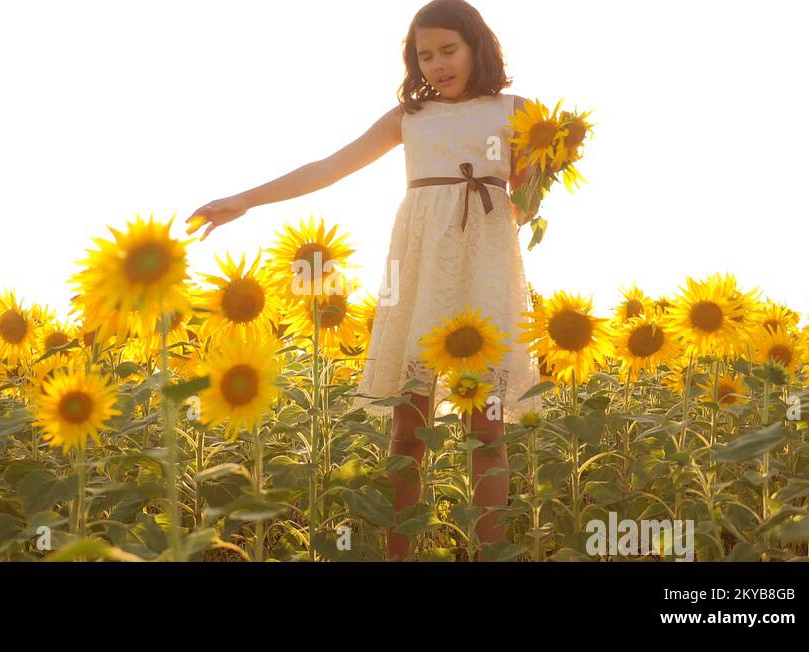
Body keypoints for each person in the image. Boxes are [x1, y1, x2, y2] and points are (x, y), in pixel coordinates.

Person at [186, 0, 543, 561]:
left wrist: (538, 172)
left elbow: (527, 202)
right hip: (418, 273)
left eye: (449, 50)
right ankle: (397, 556)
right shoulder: (410, 118)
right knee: (407, 432)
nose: (438, 64)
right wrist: (245, 200)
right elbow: (328, 167)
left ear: (478, 46)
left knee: (487, 433)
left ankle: (489, 555)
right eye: (425, 56)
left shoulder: (518, 109)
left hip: (485, 272)